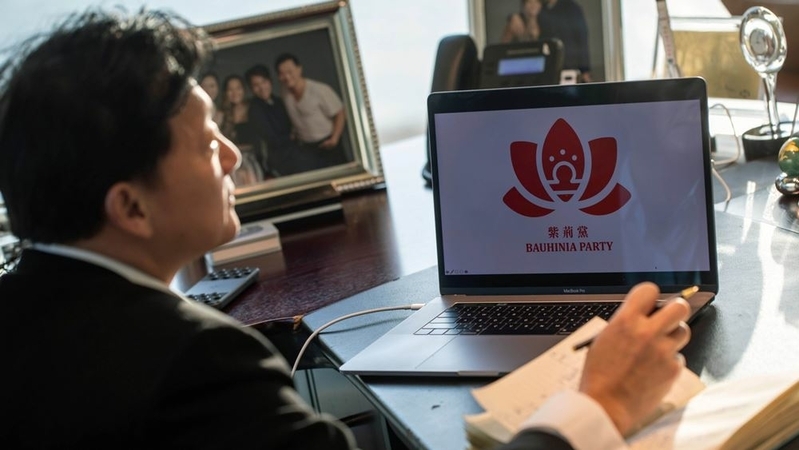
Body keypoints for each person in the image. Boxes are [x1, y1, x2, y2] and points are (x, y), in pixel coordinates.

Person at [0, 8, 691, 449]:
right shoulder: (197, 367)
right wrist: (595, 404)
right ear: (131, 208)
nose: (235, 158)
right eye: (207, 142)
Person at [275, 53, 348, 170]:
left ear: (299, 69)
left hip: (328, 143)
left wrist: (335, 138)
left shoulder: (320, 89)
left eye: (290, 71)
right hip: (306, 148)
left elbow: (340, 112)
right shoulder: (284, 92)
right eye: (282, 74)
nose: (287, 77)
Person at [244, 64, 311, 177]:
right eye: (256, 85)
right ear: (251, 89)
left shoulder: (279, 101)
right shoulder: (255, 109)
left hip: (295, 152)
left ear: (270, 81)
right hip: (278, 160)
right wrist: (292, 136)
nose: (262, 88)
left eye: (264, 82)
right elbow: (271, 139)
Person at [220, 74, 267, 185]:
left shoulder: (254, 107)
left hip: (253, 158)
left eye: (238, 88)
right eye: (230, 89)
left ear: (244, 90)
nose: (235, 93)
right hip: (234, 161)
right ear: (226, 93)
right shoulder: (223, 114)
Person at [539, 0, 593, 82]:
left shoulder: (572, 8)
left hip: (570, 67)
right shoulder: (540, 10)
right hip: (548, 69)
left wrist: (585, 70)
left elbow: (582, 39)